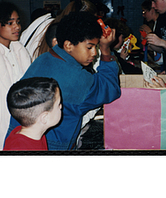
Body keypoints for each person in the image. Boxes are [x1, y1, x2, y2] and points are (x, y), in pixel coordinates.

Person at [6, 12, 121, 150]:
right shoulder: (76, 79)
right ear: (68, 45)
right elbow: (110, 88)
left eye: (96, 47)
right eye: (89, 47)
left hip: (18, 138)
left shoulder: (44, 59)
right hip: (52, 146)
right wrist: (106, 50)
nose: (94, 53)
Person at [0, 1, 31, 151]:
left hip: (20, 116)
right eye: (9, 23)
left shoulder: (20, 51)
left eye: (18, 22)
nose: (17, 27)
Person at [3, 77, 62, 151]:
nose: (61, 106)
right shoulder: (19, 148)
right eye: (58, 104)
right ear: (45, 118)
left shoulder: (35, 134)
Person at [139, 0, 163, 68]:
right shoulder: (154, 24)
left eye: (144, 12)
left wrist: (150, 33)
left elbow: (162, 46)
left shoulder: (160, 23)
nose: (143, 15)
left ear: (152, 10)